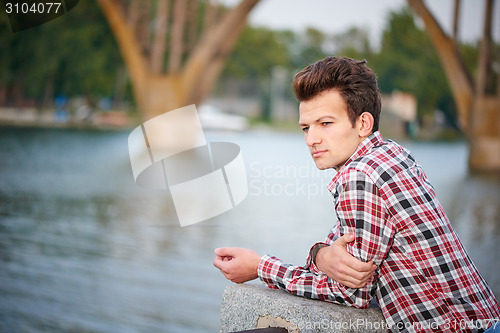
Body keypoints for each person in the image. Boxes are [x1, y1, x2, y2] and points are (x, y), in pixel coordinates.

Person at [213, 56, 500, 332]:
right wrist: (320, 255)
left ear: (362, 124)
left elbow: (351, 293)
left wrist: (259, 267)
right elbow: (338, 241)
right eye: (305, 127)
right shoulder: (393, 154)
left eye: (325, 123)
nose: (311, 139)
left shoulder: (358, 176)